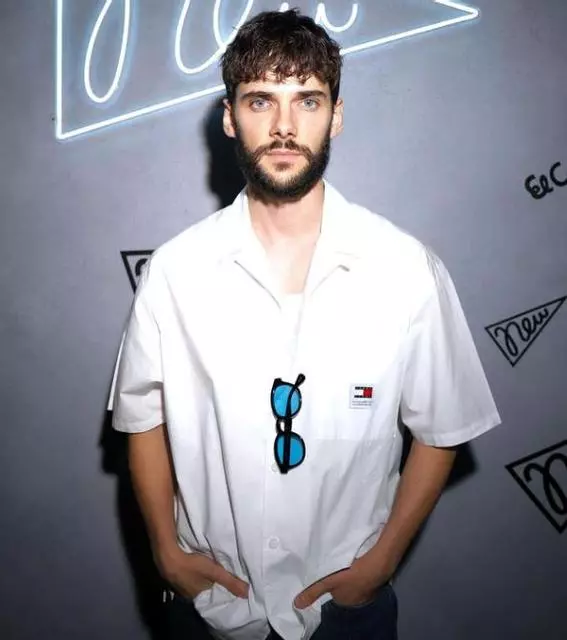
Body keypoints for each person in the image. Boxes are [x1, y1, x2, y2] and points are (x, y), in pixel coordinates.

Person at [111, 9, 501, 640]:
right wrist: (165, 551)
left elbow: (443, 427)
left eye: (308, 101)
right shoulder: (175, 272)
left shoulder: (405, 268)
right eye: (261, 100)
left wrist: (380, 563)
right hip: (211, 609)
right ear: (230, 117)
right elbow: (141, 419)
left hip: (346, 613)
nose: (285, 127)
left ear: (336, 116)